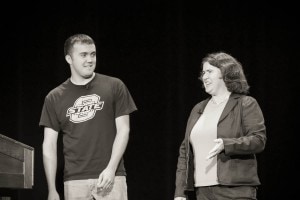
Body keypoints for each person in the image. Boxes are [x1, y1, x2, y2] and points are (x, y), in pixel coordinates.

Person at [40, 34, 137, 200]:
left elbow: (124, 130)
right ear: (69, 59)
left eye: (93, 54)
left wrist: (111, 168)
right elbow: (49, 145)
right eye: (83, 55)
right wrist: (51, 189)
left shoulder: (114, 86)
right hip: (75, 181)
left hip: (111, 177)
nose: (90, 59)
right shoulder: (54, 97)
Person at [174, 52, 266, 200]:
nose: (204, 77)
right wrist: (180, 192)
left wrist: (227, 144)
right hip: (202, 191)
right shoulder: (198, 108)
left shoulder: (245, 103)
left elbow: (258, 140)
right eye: (203, 72)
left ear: (225, 73)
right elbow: (185, 151)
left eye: (210, 71)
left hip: (234, 190)